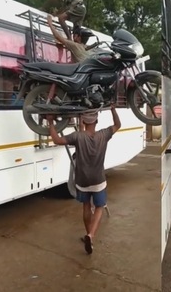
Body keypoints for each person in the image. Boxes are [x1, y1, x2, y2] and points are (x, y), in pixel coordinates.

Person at [45, 106, 121, 254]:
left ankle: (89, 237)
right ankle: (91, 235)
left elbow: (56, 139)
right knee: (99, 206)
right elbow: (118, 125)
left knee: (86, 206)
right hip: (98, 180)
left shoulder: (77, 136)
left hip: (82, 181)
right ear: (96, 121)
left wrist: (50, 122)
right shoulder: (104, 134)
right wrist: (112, 109)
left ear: (83, 121)